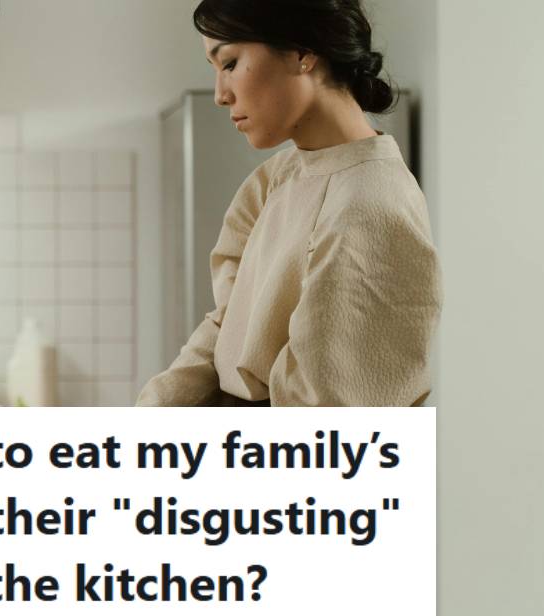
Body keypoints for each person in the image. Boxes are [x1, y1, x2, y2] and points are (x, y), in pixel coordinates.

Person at [137, 0, 441, 406]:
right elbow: (228, 325)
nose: (220, 96)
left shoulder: (370, 205)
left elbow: (326, 426)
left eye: (229, 63)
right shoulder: (275, 179)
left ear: (302, 53)